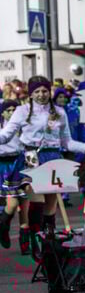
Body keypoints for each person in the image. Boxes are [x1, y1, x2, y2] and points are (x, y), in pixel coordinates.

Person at [0, 75, 85, 240]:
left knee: (52, 202)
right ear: (30, 94)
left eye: (44, 90)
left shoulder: (59, 111)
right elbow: (7, 135)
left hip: (53, 156)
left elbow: (67, 142)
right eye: (37, 91)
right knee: (36, 198)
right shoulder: (22, 111)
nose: (41, 94)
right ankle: (32, 235)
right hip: (31, 156)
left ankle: (48, 240)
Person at [0, 99, 29, 250]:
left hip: (19, 164)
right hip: (2, 166)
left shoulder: (22, 126)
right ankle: (3, 227)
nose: (11, 113)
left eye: (14, 110)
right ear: (2, 112)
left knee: (23, 204)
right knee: (10, 204)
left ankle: (25, 243)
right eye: (8, 110)